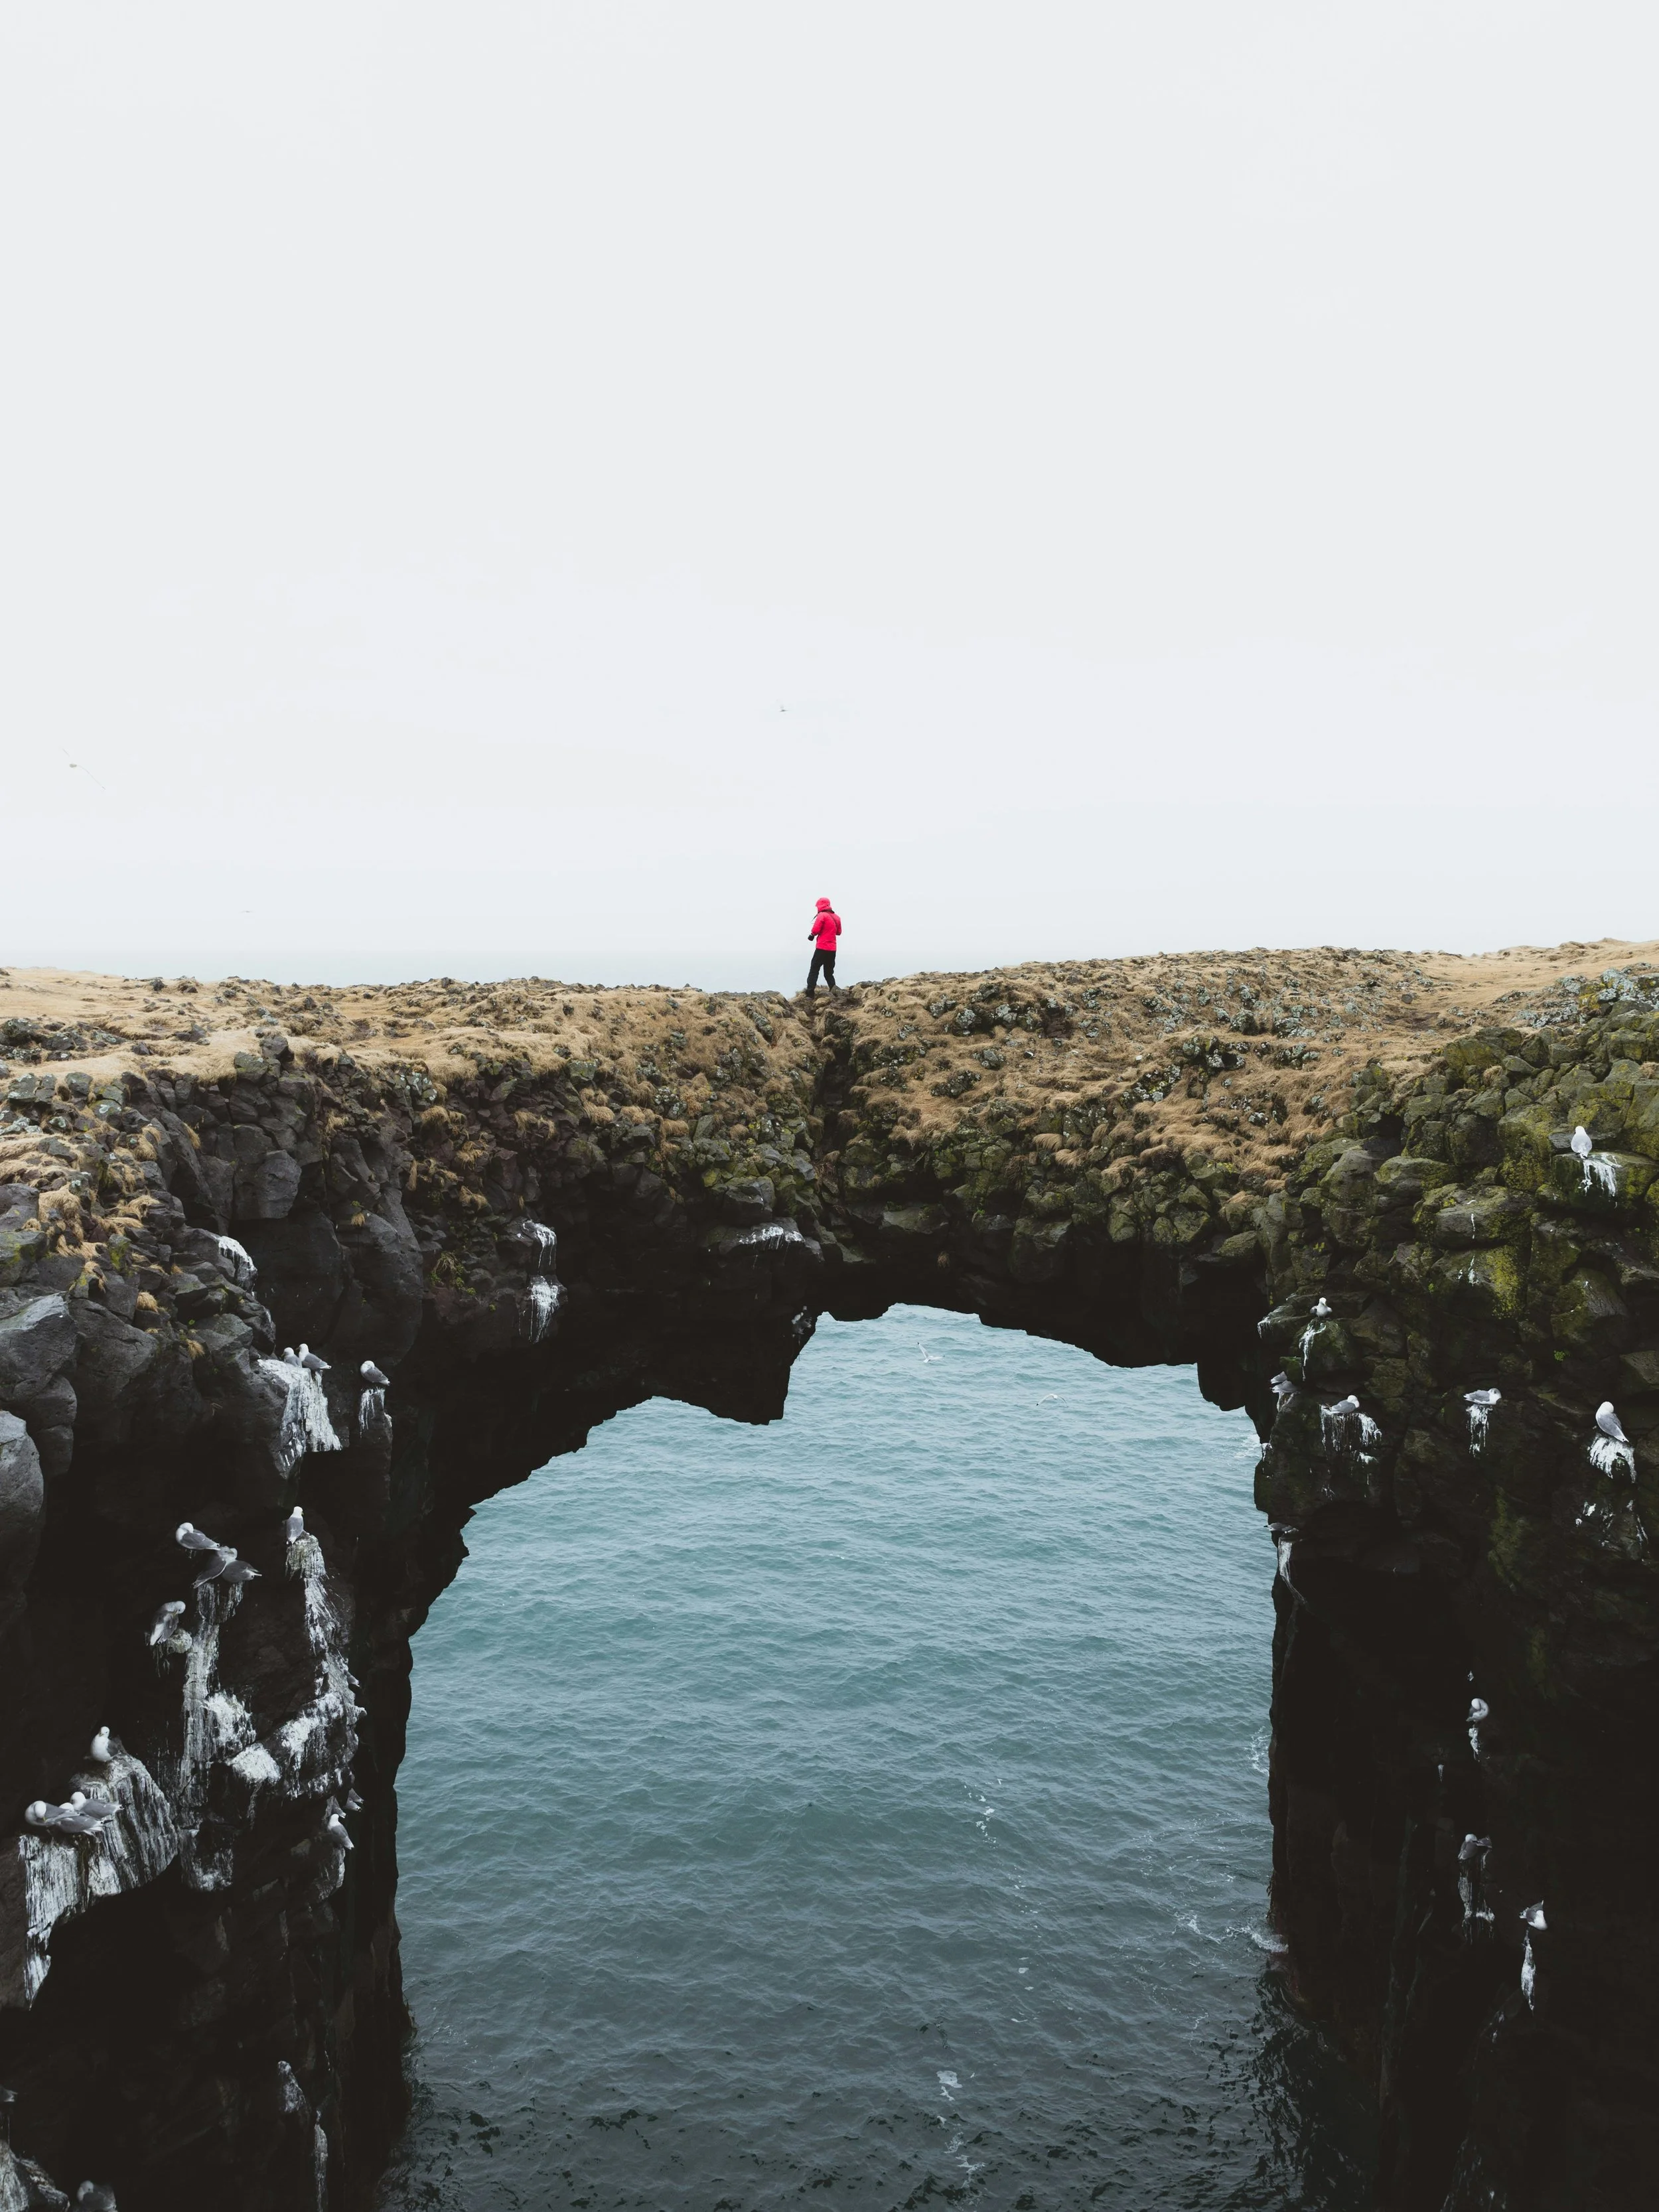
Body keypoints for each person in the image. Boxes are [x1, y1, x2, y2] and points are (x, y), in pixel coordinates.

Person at [805, 896, 841, 997]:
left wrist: (811, 935)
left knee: (814, 969)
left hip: (822, 948)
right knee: (829, 972)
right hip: (832, 949)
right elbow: (839, 932)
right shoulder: (837, 917)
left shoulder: (822, 916)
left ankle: (810, 993)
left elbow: (815, 930)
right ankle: (835, 991)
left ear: (820, 906)